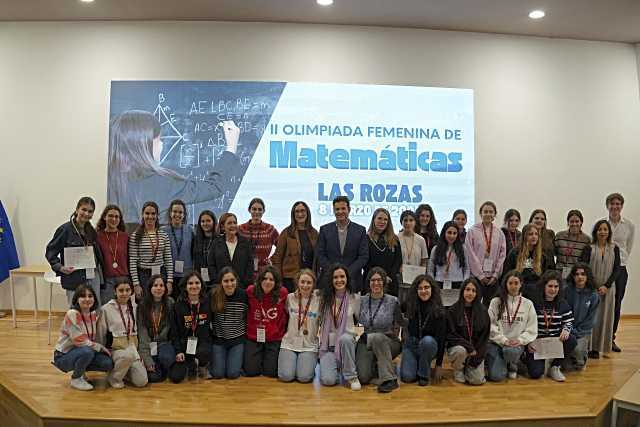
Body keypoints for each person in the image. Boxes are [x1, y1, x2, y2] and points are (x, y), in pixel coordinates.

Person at [107, 110, 241, 224]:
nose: (162, 145)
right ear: (143, 146)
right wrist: (231, 148)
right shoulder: (164, 185)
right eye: (158, 140)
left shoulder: (109, 178)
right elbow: (214, 187)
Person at [52, 284, 113, 391]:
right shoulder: (72, 314)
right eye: (83, 296)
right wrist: (101, 347)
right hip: (63, 356)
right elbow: (79, 341)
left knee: (107, 363)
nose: (87, 299)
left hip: (82, 351)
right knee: (87, 351)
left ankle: (81, 371)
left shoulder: (93, 314)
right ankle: (76, 378)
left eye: (90, 296)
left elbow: (91, 339)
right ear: (76, 299)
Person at [46, 196, 104, 307]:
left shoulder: (91, 231)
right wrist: (61, 267)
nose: (86, 213)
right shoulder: (65, 230)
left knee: (94, 309)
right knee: (75, 311)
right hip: (74, 278)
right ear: (77, 209)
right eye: (84, 209)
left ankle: (91, 325)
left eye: (90, 211)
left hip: (92, 277)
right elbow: (50, 252)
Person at [356, 267, 406, 393]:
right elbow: (356, 323)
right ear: (368, 283)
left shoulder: (393, 301)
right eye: (373, 280)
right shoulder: (361, 301)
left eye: (379, 280)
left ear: (384, 282)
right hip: (365, 340)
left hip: (388, 341)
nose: (376, 283)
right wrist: (358, 337)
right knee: (363, 377)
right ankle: (379, 366)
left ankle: (389, 380)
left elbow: (401, 323)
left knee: (378, 337)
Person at [96, 278, 148, 388]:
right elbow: (100, 333)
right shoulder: (106, 309)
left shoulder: (135, 308)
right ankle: (114, 377)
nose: (124, 293)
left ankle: (123, 371)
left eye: (127, 290)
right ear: (115, 291)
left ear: (131, 291)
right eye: (121, 290)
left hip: (133, 351)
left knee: (141, 381)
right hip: (116, 351)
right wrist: (101, 351)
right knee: (127, 356)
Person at [525, 271, 576, 382]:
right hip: (536, 342)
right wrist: (529, 341)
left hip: (555, 340)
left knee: (571, 339)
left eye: (556, 286)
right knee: (535, 374)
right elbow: (525, 324)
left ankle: (555, 366)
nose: (553, 289)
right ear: (544, 286)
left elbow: (569, 321)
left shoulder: (562, 303)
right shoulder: (533, 302)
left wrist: (566, 330)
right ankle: (532, 361)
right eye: (550, 286)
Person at [486, 271, 537, 382]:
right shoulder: (496, 302)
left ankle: (513, 364)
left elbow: (532, 328)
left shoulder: (528, 304)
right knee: (496, 377)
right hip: (497, 343)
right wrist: (503, 340)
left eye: (516, 283)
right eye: (510, 283)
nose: (513, 286)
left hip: (516, 345)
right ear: (506, 284)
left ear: (521, 284)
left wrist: (520, 340)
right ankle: (504, 363)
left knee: (511, 351)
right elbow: (491, 325)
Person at [318, 264, 362, 390]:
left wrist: (356, 337)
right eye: (335, 277)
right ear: (331, 280)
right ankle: (336, 369)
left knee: (345, 339)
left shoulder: (355, 298)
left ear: (347, 278)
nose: (339, 280)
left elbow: (362, 323)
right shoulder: (324, 299)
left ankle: (351, 376)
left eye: (342, 276)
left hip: (347, 344)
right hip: (329, 346)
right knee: (328, 380)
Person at [581, 219, 621, 358]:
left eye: (605, 229)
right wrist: (595, 286)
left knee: (605, 317)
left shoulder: (614, 248)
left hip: (608, 289)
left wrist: (606, 285)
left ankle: (602, 346)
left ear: (609, 232)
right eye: (600, 229)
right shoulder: (589, 247)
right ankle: (590, 348)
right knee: (592, 318)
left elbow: (617, 270)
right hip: (591, 289)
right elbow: (584, 268)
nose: (602, 232)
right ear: (595, 232)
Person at [400, 274, 446, 386]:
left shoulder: (440, 311)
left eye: (426, 287)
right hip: (412, 344)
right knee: (407, 377)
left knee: (427, 341)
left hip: (429, 346)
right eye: (420, 288)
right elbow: (396, 309)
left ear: (432, 289)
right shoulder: (409, 305)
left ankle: (423, 375)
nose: (423, 291)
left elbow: (442, 339)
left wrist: (439, 365)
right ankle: (416, 364)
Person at [316, 196, 369, 293]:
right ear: (333, 211)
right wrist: (334, 272)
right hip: (329, 281)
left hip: (353, 281)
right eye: (337, 209)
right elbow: (320, 255)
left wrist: (347, 273)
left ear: (349, 209)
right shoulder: (324, 230)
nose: (340, 211)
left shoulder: (360, 230)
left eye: (343, 208)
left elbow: (363, 256)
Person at [244, 266, 288, 377]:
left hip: (274, 338)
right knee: (251, 371)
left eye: (271, 279)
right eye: (265, 278)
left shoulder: (282, 293)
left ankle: (265, 359)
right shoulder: (251, 291)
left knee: (271, 372)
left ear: (276, 282)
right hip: (254, 337)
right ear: (259, 280)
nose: (267, 282)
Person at [278, 269, 321, 383]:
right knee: (285, 377)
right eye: (302, 282)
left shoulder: (319, 300)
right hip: (289, 343)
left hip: (309, 345)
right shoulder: (290, 298)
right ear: (298, 282)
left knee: (304, 378)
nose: (305, 285)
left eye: (309, 283)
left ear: (313, 285)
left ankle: (309, 367)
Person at [604, 193, 635, 353]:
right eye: (612, 204)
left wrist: (620, 262)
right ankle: (598, 338)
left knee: (616, 304)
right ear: (607, 206)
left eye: (618, 204)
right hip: (605, 268)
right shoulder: (602, 225)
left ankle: (611, 339)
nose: (615, 207)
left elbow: (628, 248)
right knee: (602, 303)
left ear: (621, 206)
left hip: (621, 269)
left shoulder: (629, 226)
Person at [446, 278, 490, 385]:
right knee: (461, 351)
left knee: (477, 381)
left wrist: (476, 357)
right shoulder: (453, 310)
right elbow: (451, 335)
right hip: (460, 348)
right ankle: (459, 368)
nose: (470, 293)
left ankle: (470, 366)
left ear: (477, 293)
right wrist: (469, 347)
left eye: (473, 291)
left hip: (476, 351)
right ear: (462, 291)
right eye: (467, 289)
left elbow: (484, 337)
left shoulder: (483, 311)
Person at [170, 271, 211, 382]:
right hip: (184, 346)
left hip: (202, 345)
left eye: (197, 283)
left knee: (203, 352)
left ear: (201, 285)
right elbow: (174, 332)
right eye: (190, 283)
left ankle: (202, 365)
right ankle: (191, 364)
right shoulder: (177, 306)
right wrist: (179, 351)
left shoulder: (207, 304)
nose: (194, 286)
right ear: (185, 286)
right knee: (176, 378)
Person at [128, 201, 174, 300]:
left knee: (160, 303)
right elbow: (132, 262)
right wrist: (136, 284)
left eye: (153, 214)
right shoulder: (135, 236)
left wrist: (169, 281)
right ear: (142, 215)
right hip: (143, 275)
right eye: (147, 213)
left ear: (157, 216)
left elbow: (168, 260)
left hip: (160, 274)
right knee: (145, 304)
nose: (150, 216)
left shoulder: (163, 235)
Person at [465, 201, 507, 306]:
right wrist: (480, 275)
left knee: (492, 306)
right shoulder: (472, 231)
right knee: (475, 305)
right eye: (485, 211)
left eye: (491, 212)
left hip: (493, 278)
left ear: (494, 214)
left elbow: (502, 255)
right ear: (481, 213)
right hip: (477, 277)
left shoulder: (499, 233)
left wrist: (496, 275)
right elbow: (470, 255)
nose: (488, 214)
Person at [209, 267, 248, 379]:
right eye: (226, 281)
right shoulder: (214, 295)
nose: (229, 284)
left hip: (237, 340)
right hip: (219, 340)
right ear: (220, 282)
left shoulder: (243, 295)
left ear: (236, 280)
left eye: (232, 280)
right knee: (218, 374)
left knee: (232, 374)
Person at [271, 201, 318, 293]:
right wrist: (278, 280)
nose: (300, 214)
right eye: (297, 211)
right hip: (289, 279)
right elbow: (277, 257)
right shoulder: (286, 233)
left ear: (307, 213)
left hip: (309, 280)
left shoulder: (314, 233)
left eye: (303, 211)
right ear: (293, 214)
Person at [137, 275, 175, 383]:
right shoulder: (143, 305)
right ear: (150, 288)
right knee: (154, 378)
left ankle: (163, 365)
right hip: (149, 345)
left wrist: (160, 337)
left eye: (161, 285)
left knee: (166, 358)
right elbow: (142, 331)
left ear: (165, 288)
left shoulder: (170, 303)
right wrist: (147, 359)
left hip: (164, 343)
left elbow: (170, 326)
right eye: (155, 285)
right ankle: (155, 366)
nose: (158, 288)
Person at [503, 223, 555, 298]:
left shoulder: (543, 255)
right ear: (524, 236)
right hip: (519, 290)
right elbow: (507, 273)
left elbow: (546, 275)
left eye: (536, 234)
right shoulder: (514, 253)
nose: (534, 237)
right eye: (530, 234)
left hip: (537, 290)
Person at [564, 264, 599, 370]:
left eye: (583, 274)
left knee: (578, 351)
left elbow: (591, 320)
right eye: (577, 274)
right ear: (573, 277)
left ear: (587, 276)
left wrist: (577, 332)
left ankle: (581, 359)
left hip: (582, 332)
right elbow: (563, 313)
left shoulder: (593, 295)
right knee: (565, 366)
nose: (580, 277)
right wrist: (569, 330)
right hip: (567, 330)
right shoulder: (566, 291)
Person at [427, 221, 470, 306]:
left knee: (455, 309)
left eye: (454, 233)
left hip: (458, 284)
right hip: (439, 283)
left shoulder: (462, 249)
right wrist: (433, 283)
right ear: (444, 233)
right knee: (440, 308)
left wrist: (464, 283)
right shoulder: (436, 249)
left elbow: (467, 268)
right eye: (449, 233)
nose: (452, 236)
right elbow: (430, 269)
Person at [363, 208, 402, 297]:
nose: (382, 222)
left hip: (390, 282)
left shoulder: (394, 239)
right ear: (374, 220)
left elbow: (398, 261)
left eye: (385, 219)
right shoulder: (365, 238)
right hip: (371, 282)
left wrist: (387, 277)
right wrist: (379, 278)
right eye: (379, 218)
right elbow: (365, 261)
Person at [95, 204, 129, 306]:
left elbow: (130, 259)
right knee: (107, 311)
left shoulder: (125, 236)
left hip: (123, 279)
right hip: (106, 281)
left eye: (116, 217)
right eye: (110, 216)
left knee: (123, 311)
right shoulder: (97, 236)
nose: (113, 219)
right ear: (104, 217)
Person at [209, 213, 254, 289]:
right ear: (223, 226)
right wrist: (217, 282)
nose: (233, 225)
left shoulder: (246, 243)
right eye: (229, 223)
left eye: (235, 223)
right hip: (221, 287)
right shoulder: (216, 243)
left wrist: (245, 283)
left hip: (241, 287)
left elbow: (250, 265)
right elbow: (211, 264)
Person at [238, 198, 279, 281]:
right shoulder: (241, 229)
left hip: (264, 273)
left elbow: (282, 247)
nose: (257, 212)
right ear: (249, 210)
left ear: (263, 211)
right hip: (244, 271)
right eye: (254, 209)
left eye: (260, 209)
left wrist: (272, 259)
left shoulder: (270, 229)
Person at [161, 199, 193, 299]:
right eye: (175, 211)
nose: (177, 214)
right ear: (170, 213)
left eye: (180, 212)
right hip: (169, 276)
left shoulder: (190, 230)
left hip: (186, 275)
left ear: (184, 215)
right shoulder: (163, 231)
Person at [397, 210, 428, 304]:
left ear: (415, 222)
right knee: (400, 305)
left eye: (411, 220)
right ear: (401, 222)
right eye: (405, 220)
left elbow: (424, 260)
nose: (408, 223)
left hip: (416, 279)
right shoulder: (396, 238)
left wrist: (422, 276)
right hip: (400, 279)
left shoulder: (421, 240)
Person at [554, 210, 591, 280]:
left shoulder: (586, 240)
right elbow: (554, 253)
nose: (574, 224)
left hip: (576, 276)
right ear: (568, 222)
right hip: (558, 274)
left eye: (577, 221)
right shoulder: (559, 236)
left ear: (581, 223)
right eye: (571, 221)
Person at [192, 210, 217, 289]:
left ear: (214, 222)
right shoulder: (196, 239)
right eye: (202, 221)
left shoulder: (219, 239)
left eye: (208, 221)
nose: (205, 223)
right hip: (199, 278)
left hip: (215, 279)